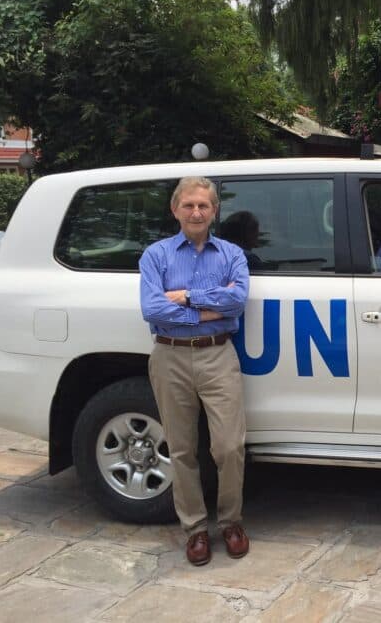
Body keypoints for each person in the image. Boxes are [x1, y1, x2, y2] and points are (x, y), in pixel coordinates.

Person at [139, 176, 250, 566]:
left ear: (214, 211)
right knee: (182, 449)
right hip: (169, 357)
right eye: (189, 205)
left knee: (229, 447)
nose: (196, 212)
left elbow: (237, 301)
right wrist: (208, 311)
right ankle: (196, 530)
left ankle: (231, 522)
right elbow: (152, 309)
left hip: (218, 354)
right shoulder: (156, 255)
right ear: (175, 210)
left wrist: (187, 297)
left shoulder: (232, 254)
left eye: (204, 205)